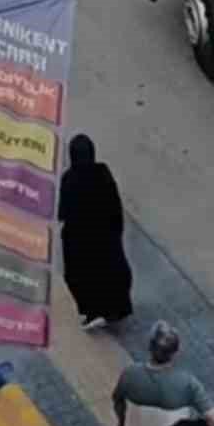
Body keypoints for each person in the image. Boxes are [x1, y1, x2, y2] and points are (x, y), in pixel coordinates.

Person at [58, 134, 132, 332]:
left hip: (79, 239)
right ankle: (115, 309)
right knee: (111, 272)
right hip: (106, 235)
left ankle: (93, 311)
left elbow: (63, 212)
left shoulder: (69, 179)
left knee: (79, 275)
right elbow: (115, 202)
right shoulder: (103, 172)